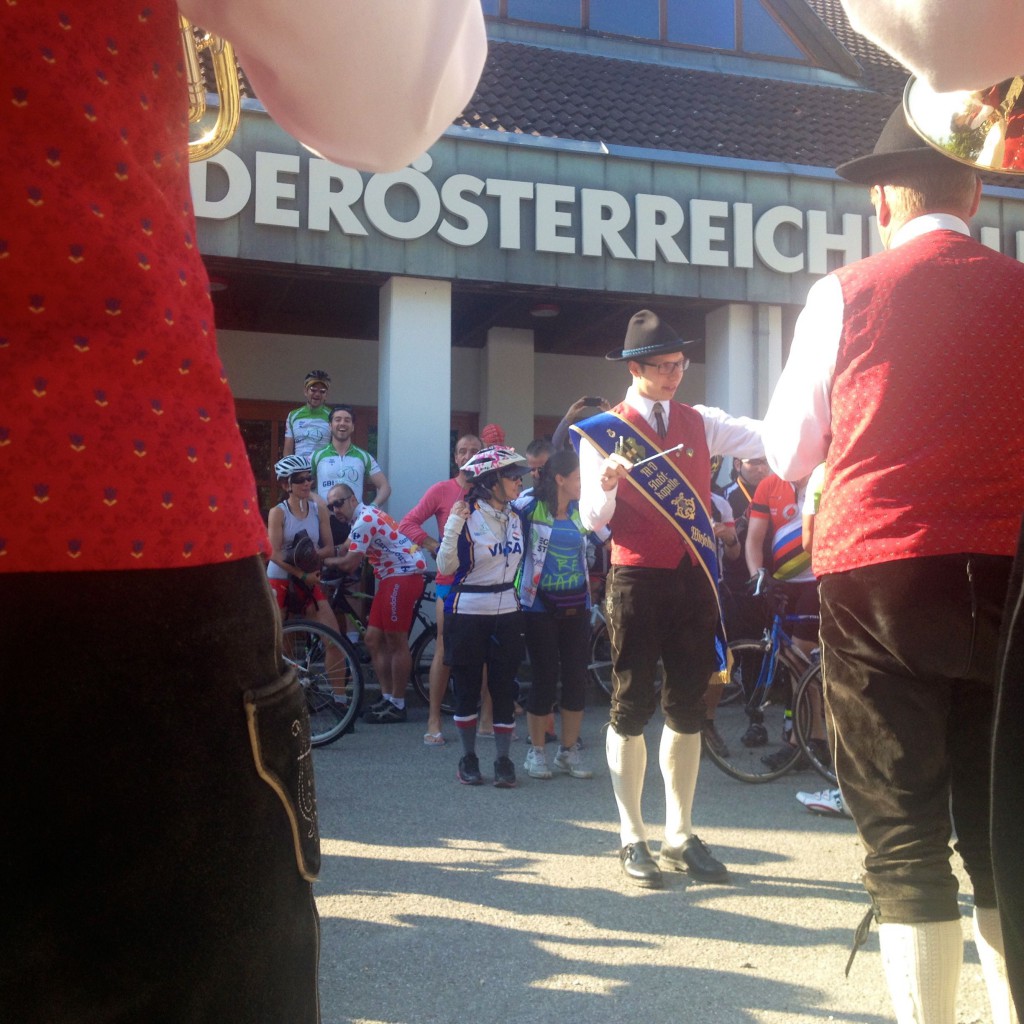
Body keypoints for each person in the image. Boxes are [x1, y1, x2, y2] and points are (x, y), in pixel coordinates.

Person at [0, 1, 485, 1019]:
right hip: (116, 515)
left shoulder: (351, 460)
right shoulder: (312, 452)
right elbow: (388, 94)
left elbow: (362, 508)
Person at [762, 104, 1024, 1024]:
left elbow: (790, 450)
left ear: (883, 200)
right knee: (1002, 830)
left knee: (905, 833)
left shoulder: (845, 292)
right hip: (1010, 576)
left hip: (882, 572)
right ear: (976, 194)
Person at [573, 309, 764, 889]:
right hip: (636, 578)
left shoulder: (699, 421)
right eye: (662, 367)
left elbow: (763, 435)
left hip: (693, 578)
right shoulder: (604, 432)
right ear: (635, 369)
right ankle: (632, 834)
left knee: (687, 703)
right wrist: (606, 484)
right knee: (631, 704)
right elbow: (591, 520)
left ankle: (679, 834)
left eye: (680, 364)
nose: (675, 375)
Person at [436, 446, 531, 788]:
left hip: (507, 611)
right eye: (513, 477)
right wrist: (452, 525)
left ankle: (504, 760)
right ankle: (468, 757)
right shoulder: (466, 515)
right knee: (466, 689)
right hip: (468, 611)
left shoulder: (517, 517)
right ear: (492, 482)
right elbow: (445, 566)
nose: (520, 482)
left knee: (504, 688)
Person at [515, 449, 595, 781]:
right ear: (560, 479)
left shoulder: (583, 510)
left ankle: (568, 751)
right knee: (544, 676)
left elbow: (600, 540)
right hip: (539, 606)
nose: (583, 483)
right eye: (578, 477)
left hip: (577, 605)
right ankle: (536, 752)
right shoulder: (529, 507)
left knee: (576, 677)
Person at [400, 433, 482, 745]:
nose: (468, 455)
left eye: (474, 450)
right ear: (456, 457)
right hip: (450, 581)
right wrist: (435, 545)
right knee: (444, 649)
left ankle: (488, 719)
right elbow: (407, 523)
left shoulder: (490, 491)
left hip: (484, 581)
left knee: (486, 651)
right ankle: (434, 719)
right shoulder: (442, 490)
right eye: (463, 451)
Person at [325, 485, 428, 724]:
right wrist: (323, 552)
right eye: (330, 506)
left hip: (403, 575)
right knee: (372, 639)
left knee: (395, 640)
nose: (335, 510)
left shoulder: (365, 520)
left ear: (352, 499)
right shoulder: (361, 516)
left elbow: (349, 563)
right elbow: (345, 546)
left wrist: (325, 562)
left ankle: (398, 704)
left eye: (338, 503)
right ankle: (387, 697)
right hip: (390, 577)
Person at [312, 404, 391, 507]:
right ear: (330, 426)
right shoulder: (317, 455)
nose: (342, 423)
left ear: (353, 427)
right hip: (325, 515)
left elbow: (385, 487)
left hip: (355, 515)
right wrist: (315, 499)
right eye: (338, 420)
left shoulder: (364, 456)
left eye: (347, 420)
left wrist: (372, 507)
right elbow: (298, 483)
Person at [282, 369, 333, 459]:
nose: (317, 394)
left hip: (323, 465)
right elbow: (288, 451)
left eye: (322, 391)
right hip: (299, 466)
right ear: (305, 391)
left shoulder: (333, 416)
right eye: (313, 390)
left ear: (326, 395)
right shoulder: (293, 415)